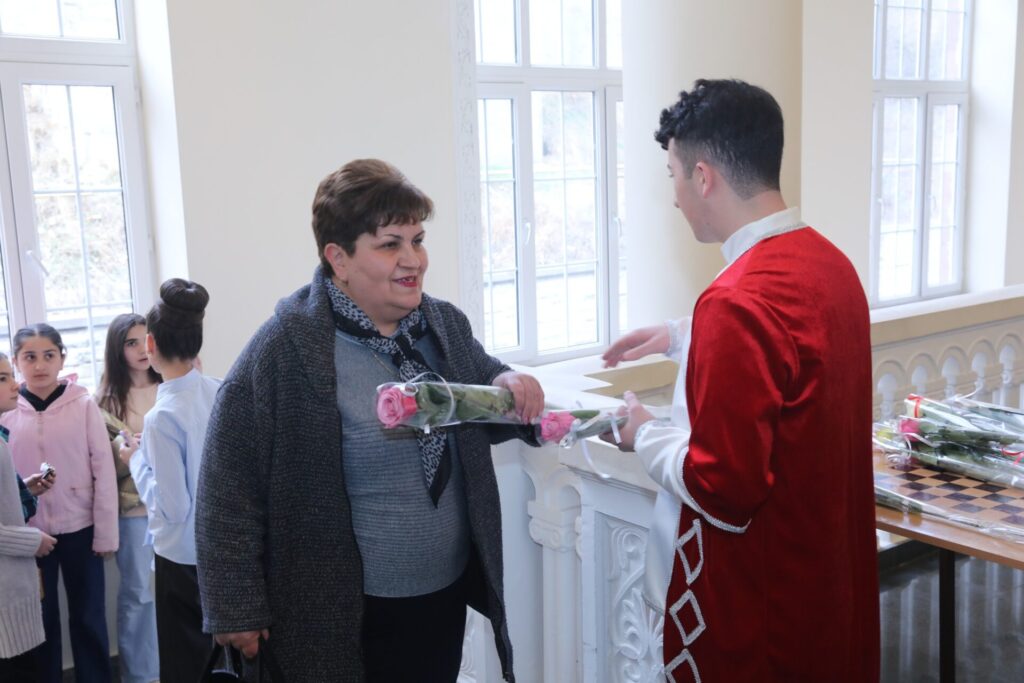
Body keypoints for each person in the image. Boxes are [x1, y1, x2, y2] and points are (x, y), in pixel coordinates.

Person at [196, 159, 544, 683]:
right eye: (389, 244)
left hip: (441, 597)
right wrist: (235, 607)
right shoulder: (285, 349)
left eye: (418, 240)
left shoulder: (442, 325)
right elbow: (227, 485)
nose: (413, 260)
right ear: (338, 258)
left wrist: (507, 381)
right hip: (341, 616)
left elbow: (481, 383)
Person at [603, 79, 880, 681]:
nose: (674, 197)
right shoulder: (829, 263)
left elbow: (724, 488)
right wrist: (682, 336)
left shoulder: (736, 300)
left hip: (760, 605)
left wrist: (642, 432)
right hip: (822, 579)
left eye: (674, 174)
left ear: (703, 177)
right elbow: (794, 358)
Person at [1, 324, 119, 682]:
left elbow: (103, 469)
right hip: (31, 538)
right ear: (17, 362)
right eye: (30, 357)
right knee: (41, 620)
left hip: (81, 529)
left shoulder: (82, 405)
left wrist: (106, 534)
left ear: (62, 358)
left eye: (49, 355)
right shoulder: (7, 410)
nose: (40, 365)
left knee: (88, 615)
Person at [122, 279, 220, 683]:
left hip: (181, 558)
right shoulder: (219, 390)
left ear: (151, 345)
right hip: (222, 549)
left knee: (186, 665)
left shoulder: (161, 418)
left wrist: (135, 460)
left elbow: (174, 508)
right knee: (222, 660)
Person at [95, 313, 161, 683]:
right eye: (131, 342)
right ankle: (140, 677)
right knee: (139, 595)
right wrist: (128, 451)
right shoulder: (104, 401)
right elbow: (101, 465)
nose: (141, 349)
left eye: (145, 339)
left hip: (174, 507)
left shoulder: (171, 384)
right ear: (117, 350)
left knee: (182, 592)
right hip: (134, 511)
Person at [0, 351, 57, 682]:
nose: (15, 385)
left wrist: (23, 489)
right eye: (2, 378)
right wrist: (33, 540)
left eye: (10, 376)